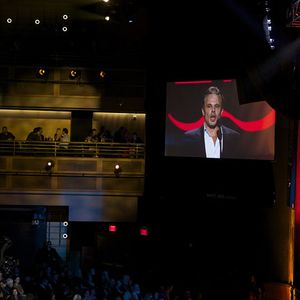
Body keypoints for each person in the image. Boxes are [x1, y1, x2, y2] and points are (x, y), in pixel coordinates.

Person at [180, 86, 240, 158]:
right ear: (203, 111)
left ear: (221, 112)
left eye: (217, 106)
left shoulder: (235, 138)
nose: (213, 110)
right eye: (209, 106)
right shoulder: (188, 138)